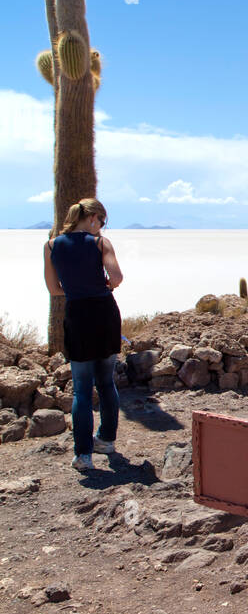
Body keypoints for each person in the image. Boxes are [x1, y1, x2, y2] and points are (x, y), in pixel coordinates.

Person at [43, 199, 123, 473]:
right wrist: (100, 286)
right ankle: (107, 441)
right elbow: (117, 277)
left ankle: (84, 455)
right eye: (102, 221)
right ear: (92, 218)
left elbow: (54, 289)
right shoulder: (101, 243)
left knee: (81, 389)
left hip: (78, 316)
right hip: (105, 313)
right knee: (106, 382)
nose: (102, 226)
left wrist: (77, 290)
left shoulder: (52, 245)